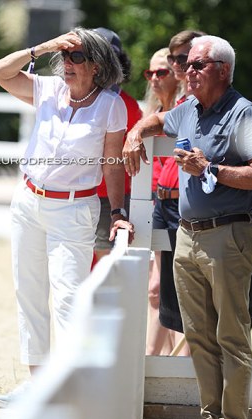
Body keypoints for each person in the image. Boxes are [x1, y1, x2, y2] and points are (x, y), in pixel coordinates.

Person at [122, 35, 252, 419]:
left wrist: (211, 168)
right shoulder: (188, 109)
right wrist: (136, 132)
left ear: (222, 70)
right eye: (186, 64)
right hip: (188, 236)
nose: (187, 71)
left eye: (197, 65)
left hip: (229, 234)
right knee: (199, 333)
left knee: (231, 335)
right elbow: (158, 121)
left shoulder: (244, 113)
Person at [0, 27, 134, 407]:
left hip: (74, 209)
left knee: (69, 297)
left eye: (77, 57)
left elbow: (112, 162)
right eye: (64, 57)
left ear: (98, 66)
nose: (66, 63)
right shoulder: (48, 89)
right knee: (29, 292)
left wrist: (118, 212)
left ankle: (69, 389)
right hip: (28, 202)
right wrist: (44, 47)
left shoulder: (111, 105)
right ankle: (38, 386)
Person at [156, 30, 206, 356]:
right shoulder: (178, 100)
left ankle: (180, 372)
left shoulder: (196, 100)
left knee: (186, 291)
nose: (177, 64)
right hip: (165, 198)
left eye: (183, 58)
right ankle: (161, 363)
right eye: (173, 58)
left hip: (184, 202)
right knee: (160, 291)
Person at [92, 27, 142, 263]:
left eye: (106, 57)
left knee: (103, 264)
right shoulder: (72, 97)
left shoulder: (128, 106)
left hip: (107, 199)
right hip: (74, 195)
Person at [142, 48, 180, 355]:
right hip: (160, 204)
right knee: (157, 289)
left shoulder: (182, 110)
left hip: (182, 206)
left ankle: (171, 366)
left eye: (161, 72)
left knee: (178, 291)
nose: (154, 78)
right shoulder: (152, 112)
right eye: (150, 73)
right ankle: (153, 364)